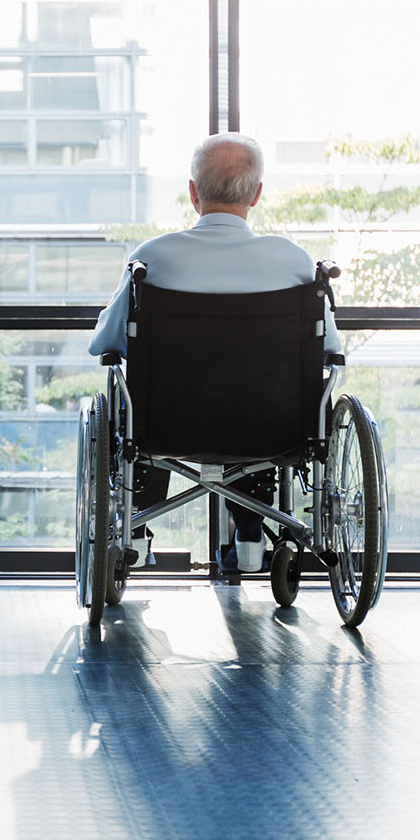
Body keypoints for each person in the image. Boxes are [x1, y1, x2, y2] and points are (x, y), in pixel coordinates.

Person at [88, 132, 340, 573]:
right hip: (275, 430)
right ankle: (250, 538)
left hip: (166, 429)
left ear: (192, 192)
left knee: (135, 404)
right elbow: (332, 352)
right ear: (257, 194)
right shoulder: (295, 263)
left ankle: (134, 531)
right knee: (260, 399)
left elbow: (104, 345)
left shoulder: (152, 260)